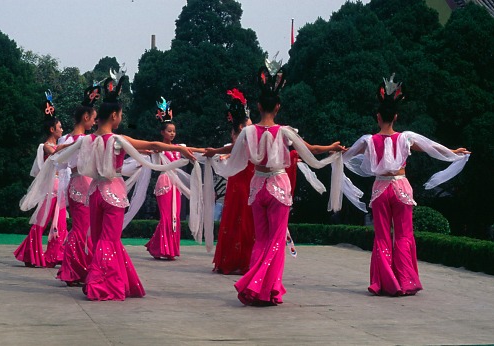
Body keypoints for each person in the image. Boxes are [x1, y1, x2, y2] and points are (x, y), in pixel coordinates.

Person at [205, 63, 346, 306]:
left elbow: (231, 151)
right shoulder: (285, 132)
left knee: (261, 239)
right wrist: (332, 149)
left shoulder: (248, 133)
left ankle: (261, 286)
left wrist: (213, 151)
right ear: (278, 106)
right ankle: (262, 286)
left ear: (258, 106)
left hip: (257, 186)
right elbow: (310, 150)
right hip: (279, 187)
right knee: (276, 240)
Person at [342, 74, 470, 296]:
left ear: (378, 117)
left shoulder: (367, 140)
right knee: (403, 235)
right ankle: (406, 281)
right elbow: (431, 147)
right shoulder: (406, 138)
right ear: (396, 117)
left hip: (380, 189)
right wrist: (453, 152)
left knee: (382, 236)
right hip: (401, 188)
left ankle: (384, 283)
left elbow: (347, 155)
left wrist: (335, 152)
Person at [74, 72, 196, 300]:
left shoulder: (86, 140)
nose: (121, 118)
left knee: (102, 239)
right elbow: (151, 143)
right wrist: (179, 149)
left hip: (94, 193)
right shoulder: (118, 140)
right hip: (113, 194)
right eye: (121, 114)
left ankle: (118, 280)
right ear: (114, 115)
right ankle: (99, 283)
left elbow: (63, 154)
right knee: (109, 240)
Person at [145, 97, 205, 260]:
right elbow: (147, 151)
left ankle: (164, 248)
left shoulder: (180, 148)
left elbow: (194, 149)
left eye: (174, 131)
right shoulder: (158, 147)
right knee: (166, 216)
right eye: (169, 131)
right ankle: (163, 248)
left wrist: (208, 151)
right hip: (164, 182)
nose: (172, 133)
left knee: (175, 216)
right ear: (162, 132)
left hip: (175, 184)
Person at [14, 90, 68, 268]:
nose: (62, 129)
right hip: (50, 188)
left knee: (60, 224)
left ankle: (56, 255)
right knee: (41, 222)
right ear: (52, 129)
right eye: (60, 127)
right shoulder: (46, 146)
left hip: (58, 189)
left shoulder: (58, 145)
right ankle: (30, 254)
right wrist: (73, 145)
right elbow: (55, 155)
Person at [56, 84, 99, 285]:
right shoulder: (85, 140)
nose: (95, 121)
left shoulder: (66, 138)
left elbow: (62, 162)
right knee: (83, 230)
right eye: (93, 118)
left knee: (80, 229)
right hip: (83, 183)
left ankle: (75, 270)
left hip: (75, 181)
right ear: (85, 118)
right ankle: (76, 271)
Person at [210, 88, 255, 274]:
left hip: (246, 176)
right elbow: (235, 148)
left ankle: (236, 258)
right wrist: (219, 153)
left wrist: (218, 153)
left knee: (242, 216)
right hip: (242, 177)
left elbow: (233, 149)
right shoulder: (244, 134)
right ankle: (239, 259)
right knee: (241, 216)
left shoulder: (244, 134)